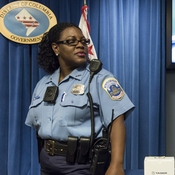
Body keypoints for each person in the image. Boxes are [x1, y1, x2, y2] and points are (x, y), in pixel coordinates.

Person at [25, 22, 135, 175]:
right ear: (56, 48)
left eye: (83, 41)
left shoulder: (99, 79)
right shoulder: (43, 84)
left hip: (80, 165)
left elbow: (116, 121)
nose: (80, 45)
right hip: (47, 164)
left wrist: (117, 164)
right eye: (71, 41)